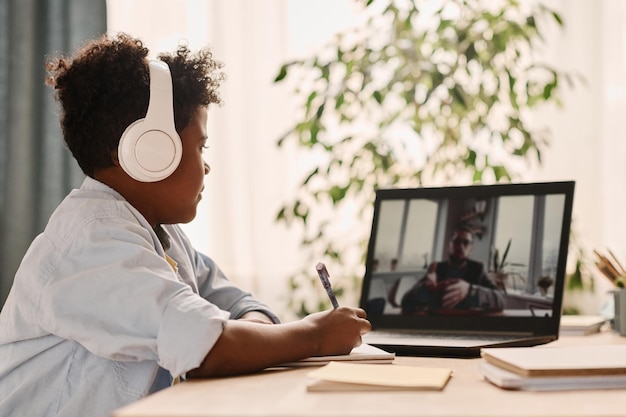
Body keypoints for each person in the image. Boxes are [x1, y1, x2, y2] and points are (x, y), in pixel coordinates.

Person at [0, 33, 370, 417]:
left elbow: (235, 304)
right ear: (150, 152)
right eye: (200, 146)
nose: (206, 164)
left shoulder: (160, 233)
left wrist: (250, 331)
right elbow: (207, 348)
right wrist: (313, 335)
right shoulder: (91, 243)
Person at [401, 226, 504, 314]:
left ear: (471, 249)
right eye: (457, 241)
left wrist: (470, 290)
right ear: (450, 245)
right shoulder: (436, 269)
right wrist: (425, 289)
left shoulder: (478, 269)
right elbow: (405, 302)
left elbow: (501, 299)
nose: (460, 246)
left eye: (466, 243)